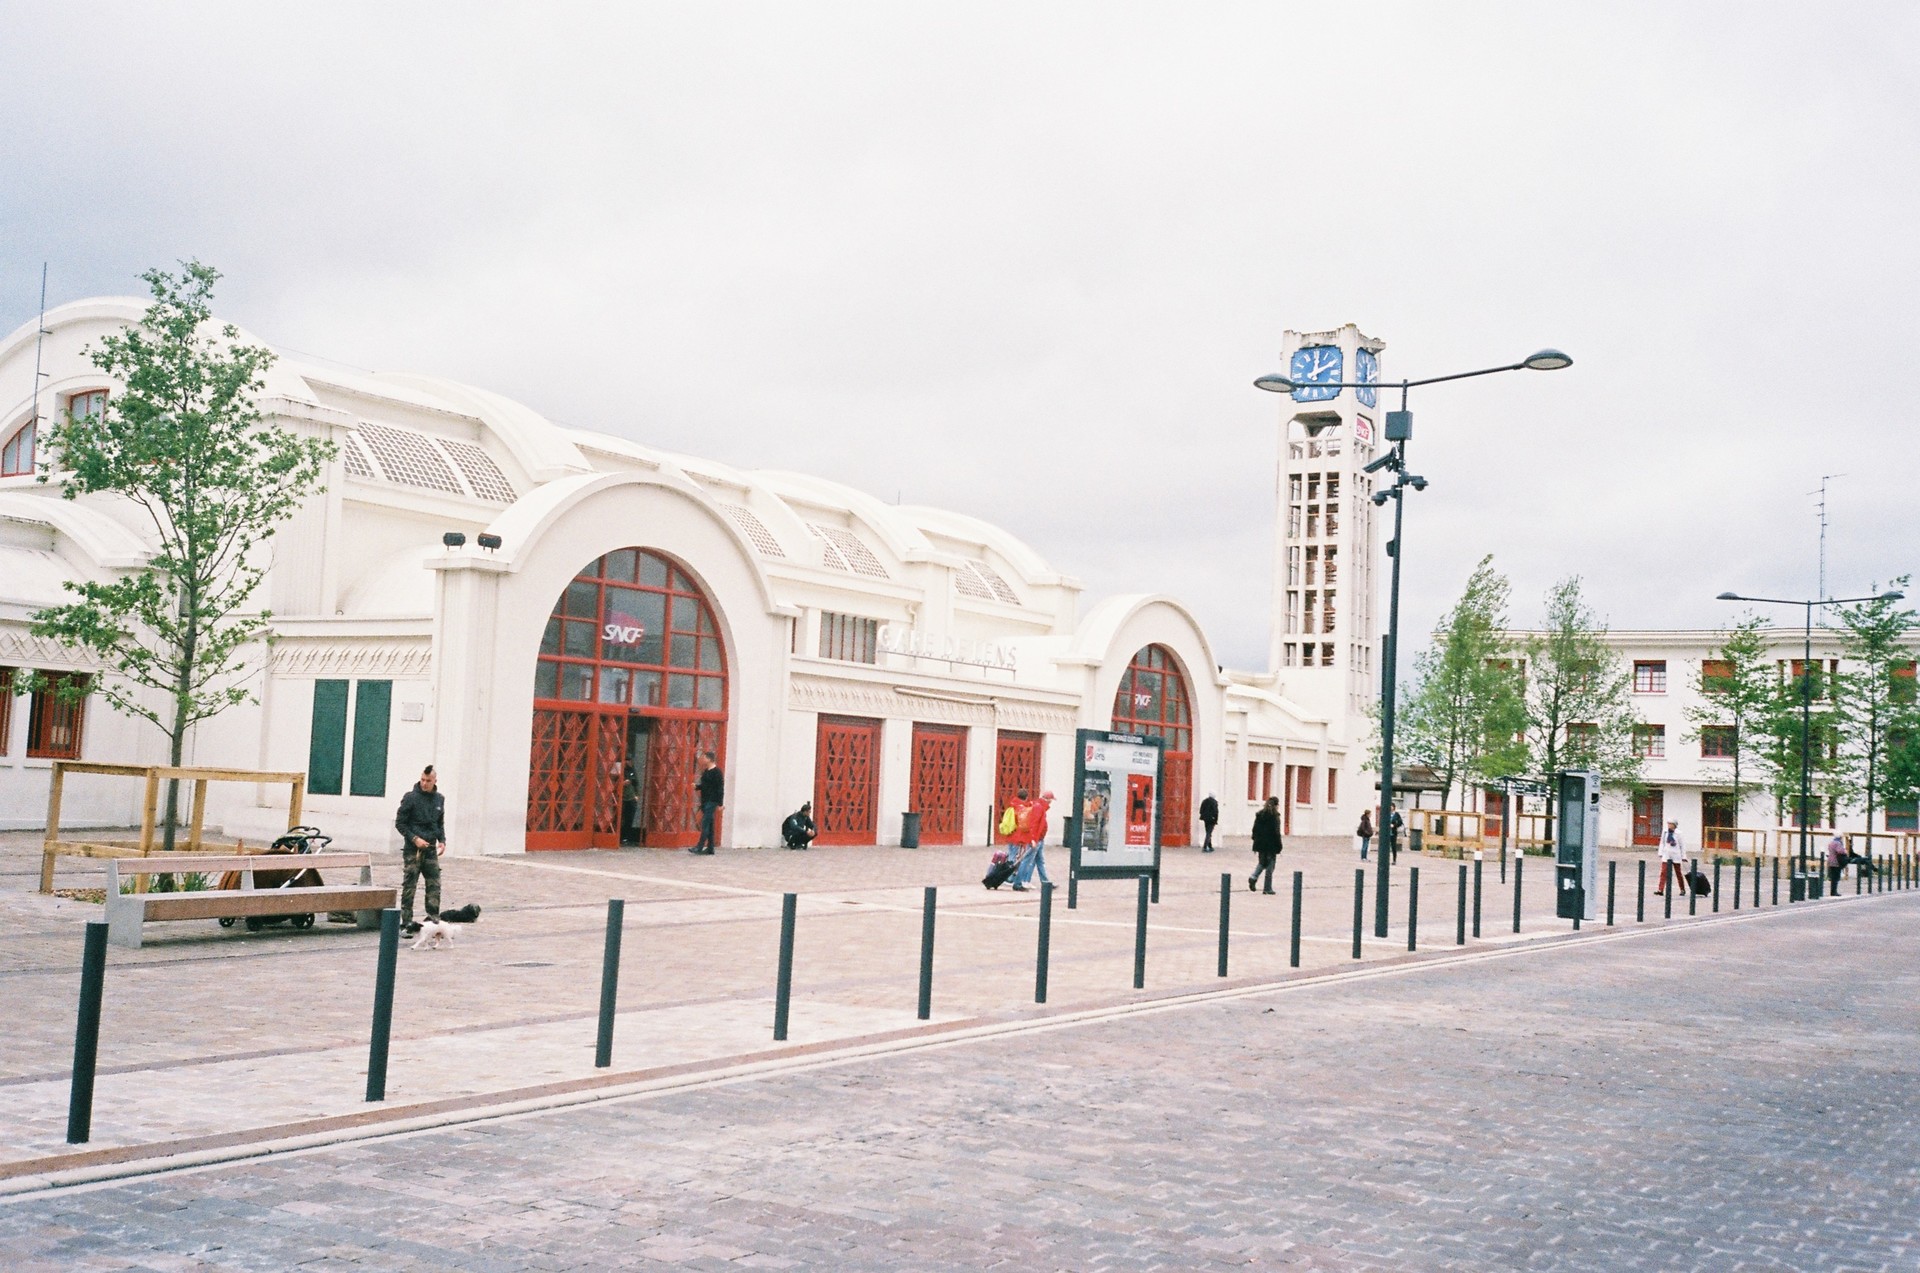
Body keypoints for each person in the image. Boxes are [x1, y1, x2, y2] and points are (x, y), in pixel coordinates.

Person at [394, 764, 446, 936]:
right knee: (410, 885)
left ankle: (432, 921)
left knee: (434, 885)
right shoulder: (410, 798)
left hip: (430, 848)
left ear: (435, 781)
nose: (424, 784)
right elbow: (400, 823)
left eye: (428, 781)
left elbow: (439, 823)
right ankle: (406, 922)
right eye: (422, 780)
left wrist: (442, 840)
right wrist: (414, 839)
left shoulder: (439, 799)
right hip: (413, 850)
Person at [1012, 789, 1055, 892]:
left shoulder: (1038, 806)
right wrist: (1033, 839)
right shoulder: (1039, 807)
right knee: (1026, 861)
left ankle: (1045, 881)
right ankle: (1017, 883)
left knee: (1040, 861)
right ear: (1048, 800)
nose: (1051, 802)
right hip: (1036, 839)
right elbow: (1034, 824)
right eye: (1051, 800)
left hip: (1039, 839)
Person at [690, 751, 723, 854]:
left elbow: (720, 788)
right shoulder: (706, 771)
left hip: (712, 801)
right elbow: (705, 786)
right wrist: (697, 787)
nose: (702, 759)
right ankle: (710, 848)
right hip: (705, 800)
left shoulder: (717, 772)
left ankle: (699, 846)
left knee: (705, 824)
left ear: (709, 759)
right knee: (710, 824)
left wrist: (720, 804)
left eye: (704, 758)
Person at [1249, 796, 1282, 894]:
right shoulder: (1275, 817)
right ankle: (1267, 888)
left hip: (1260, 844)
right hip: (1271, 845)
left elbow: (1254, 830)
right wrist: (1279, 846)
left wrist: (1255, 841)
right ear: (1276, 805)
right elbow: (1276, 833)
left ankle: (1253, 877)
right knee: (1270, 866)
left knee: (1262, 862)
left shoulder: (1260, 815)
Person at [1656, 819, 1685, 895]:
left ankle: (1682, 889)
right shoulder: (1665, 832)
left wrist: (1683, 856)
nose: (1669, 825)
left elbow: (1682, 845)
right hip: (1666, 854)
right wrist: (1660, 852)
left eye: (1671, 824)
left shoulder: (1679, 833)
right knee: (1663, 872)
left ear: (1674, 825)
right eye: (1668, 823)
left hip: (1676, 854)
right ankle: (1660, 890)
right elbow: (1662, 842)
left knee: (1678, 872)